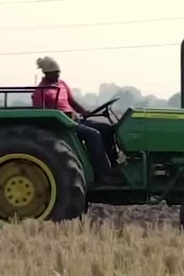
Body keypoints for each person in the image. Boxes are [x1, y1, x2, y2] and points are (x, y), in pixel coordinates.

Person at [32, 56, 123, 184]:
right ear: (46, 73)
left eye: (59, 72)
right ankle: (102, 174)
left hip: (75, 119)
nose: (58, 75)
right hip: (64, 124)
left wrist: (84, 112)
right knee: (94, 135)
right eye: (55, 73)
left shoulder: (62, 84)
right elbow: (40, 113)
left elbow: (72, 102)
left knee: (107, 129)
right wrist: (62, 115)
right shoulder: (41, 91)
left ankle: (113, 166)